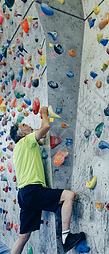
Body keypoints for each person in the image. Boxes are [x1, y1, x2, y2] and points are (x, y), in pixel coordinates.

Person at [10, 106, 85, 254]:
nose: (28, 125)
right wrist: (44, 113)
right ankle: (66, 237)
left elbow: (42, 138)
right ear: (21, 134)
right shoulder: (27, 141)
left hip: (23, 195)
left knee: (23, 237)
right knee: (69, 196)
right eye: (24, 125)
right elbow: (46, 127)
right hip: (33, 190)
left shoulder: (18, 148)